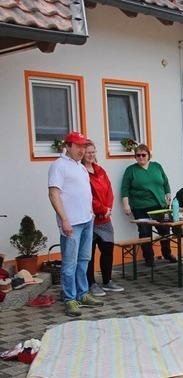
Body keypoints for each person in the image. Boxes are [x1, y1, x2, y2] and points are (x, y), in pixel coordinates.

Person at [47, 132, 104, 317]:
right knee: (70, 263)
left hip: (87, 220)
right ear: (68, 146)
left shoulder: (80, 167)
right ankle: (70, 298)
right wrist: (64, 220)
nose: (82, 150)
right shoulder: (59, 166)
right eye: (78, 146)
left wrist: (91, 213)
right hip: (71, 223)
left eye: (83, 146)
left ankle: (83, 293)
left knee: (84, 260)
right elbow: (54, 195)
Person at [121, 144, 176, 267]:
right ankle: (149, 258)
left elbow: (165, 183)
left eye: (143, 155)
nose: (141, 157)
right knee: (145, 232)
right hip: (140, 207)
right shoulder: (131, 170)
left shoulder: (157, 166)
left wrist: (168, 194)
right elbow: (125, 188)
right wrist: (126, 205)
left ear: (148, 155)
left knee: (165, 230)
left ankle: (167, 253)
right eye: (138, 155)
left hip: (159, 205)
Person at [81, 141, 124, 296]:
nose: (91, 155)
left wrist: (108, 208)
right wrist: (102, 208)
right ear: (82, 154)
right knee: (89, 253)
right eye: (88, 152)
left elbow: (109, 191)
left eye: (93, 151)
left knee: (107, 249)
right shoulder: (81, 172)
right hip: (90, 219)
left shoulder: (100, 170)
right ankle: (91, 283)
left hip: (105, 219)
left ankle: (107, 281)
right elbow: (87, 197)